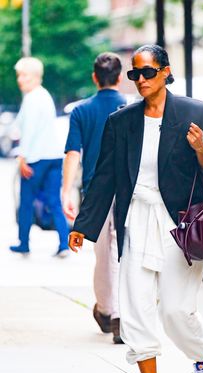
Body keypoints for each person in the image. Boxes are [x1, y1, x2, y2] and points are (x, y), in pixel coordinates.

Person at [69, 44, 203, 373]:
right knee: (136, 308)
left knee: (175, 310)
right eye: (135, 73)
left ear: (166, 72)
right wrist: (84, 225)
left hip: (180, 224)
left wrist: (201, 148)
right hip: (136, 218)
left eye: (148, 72)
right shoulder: (121, 121)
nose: (140, 80)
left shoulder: (195, 112)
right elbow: (104, 176)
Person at [62, 52, 126, 343]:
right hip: (127, 190)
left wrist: (66, 191)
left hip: (94, 192)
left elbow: (73, 153)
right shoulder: (131, 108)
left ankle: (107, 309)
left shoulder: (81, 111)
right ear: (121, 77)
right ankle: (119, 315)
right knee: (124, 253)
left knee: (102, 255)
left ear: (94, 77)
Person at [10, 57, 69, 257]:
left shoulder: (32, 98)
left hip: (36, 158)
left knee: (26, 201)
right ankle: (63, 244)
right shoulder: (44, 96)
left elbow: (28, 130)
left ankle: (24, 243)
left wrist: (22, 157)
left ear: (35, 76)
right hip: (54, 156)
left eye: (23, 75)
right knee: (54, 201)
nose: (20, 79)